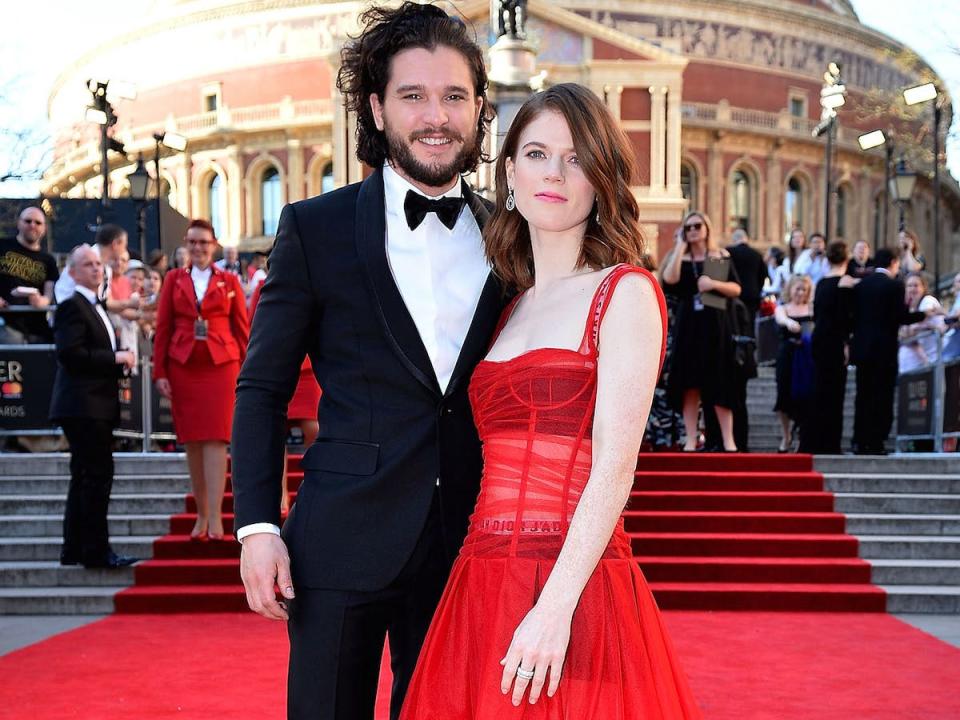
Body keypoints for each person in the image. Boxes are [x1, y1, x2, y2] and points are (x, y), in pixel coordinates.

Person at [231, 4, 503, 718]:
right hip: (340, 541)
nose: (435, 117)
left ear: (479, 109)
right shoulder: (314, 227)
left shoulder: (513, 238)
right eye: (413, 96)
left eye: (453, 96)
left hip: (467, 546)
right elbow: (262, 388)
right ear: (378, 109)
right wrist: (257, 527)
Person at [400, 82, 700, 720]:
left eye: (576, 157)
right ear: (509, 171)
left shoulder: (626, 292)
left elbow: (615, 466)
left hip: (576, 585)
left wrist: (554, 609)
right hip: (480, 581)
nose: (555, 174)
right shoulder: (505, 307)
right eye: (537, 154)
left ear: (600, 177)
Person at [153, 219, 249, 540]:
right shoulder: (172, 280)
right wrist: (160, 371)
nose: (198, 248)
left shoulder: (231, 281)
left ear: (214, 244)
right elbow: (163, 328)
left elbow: (242, 329)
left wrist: (251, 371)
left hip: (222, 366)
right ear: (186, 244)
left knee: (217, 439)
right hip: (183, 365)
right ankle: (201, 514)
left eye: (204, 242)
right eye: (193, 242)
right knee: (192, 440)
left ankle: (218, 516)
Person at [50, 245, 137, 568]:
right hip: (84, 406)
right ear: (72, 272)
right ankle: (96, 552)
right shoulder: (73, 306)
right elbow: (70, 355)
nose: (96, 269)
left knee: (83, 476)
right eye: (87, 264)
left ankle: (74, 548)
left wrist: (118, 363)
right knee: (97, 476)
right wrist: (116, 358)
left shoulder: (94, 305)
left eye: (98, 264)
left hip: (90, 403)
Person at [661, 210, 742, 452]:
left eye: (697, 226)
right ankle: (690, 438)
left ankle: (729, 441)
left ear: (707, 228)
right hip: (689, 327)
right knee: (689, 384)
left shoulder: (719, 255)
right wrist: (678, 246)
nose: (693, 230)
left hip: (716, 324)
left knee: (720, 381)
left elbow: (736, 289)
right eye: (688, 227)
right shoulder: (680, 257)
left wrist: (713, 284)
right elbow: (669, 280)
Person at [249, 280, 321, 513]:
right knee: (275, 431)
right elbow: (253, 323)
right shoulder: (263, 286)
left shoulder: (318, 278)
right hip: (276, 365)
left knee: (316, 429)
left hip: (310, 368)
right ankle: (280, 493)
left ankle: (315, 486)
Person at [850, 248, 930, 455]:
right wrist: (923, 315)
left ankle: (859, 440)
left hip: (863, 349)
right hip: (884, 350)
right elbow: (900, 317)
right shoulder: (894, 286)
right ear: (893, 262)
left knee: (863, 395)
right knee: (882, 396)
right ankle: (876, 441)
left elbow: (854, 317)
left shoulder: (862, 286)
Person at [800, 242, 855, 454]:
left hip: (819, 339)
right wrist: (846, 344)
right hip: (834, 341)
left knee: (818, 391)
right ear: (847, 259)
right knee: (834, 393)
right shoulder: (845, 282)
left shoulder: (821, 283)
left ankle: (813, 441)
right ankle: (830, 443)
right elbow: (845, 318)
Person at [719, 227, 766, 452]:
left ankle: (725, 440)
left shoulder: (723, 255)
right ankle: (741, 441)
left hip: (726, 323)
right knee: (739, 393)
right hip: (748, 311)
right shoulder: (757, 255)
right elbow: (762, 277)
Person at [0, 206, 58, 344]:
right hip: (5, 324)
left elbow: (48, 296)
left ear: (44, 229)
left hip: (37, 329)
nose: (33, 225)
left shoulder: (48, 260)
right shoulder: (2, 246)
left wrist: (41, 301)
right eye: (28, 221)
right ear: (19, 223)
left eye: (38, 223)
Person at [773, 275, 814, 453]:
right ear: (790, 289)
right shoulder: (782, 308)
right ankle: (786, 434)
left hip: (806, 356)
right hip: (787, 355)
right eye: (797, 289)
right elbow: (781, 319)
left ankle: (802, 435)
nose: (800, 293)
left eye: (804, 289)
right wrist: (790, 322)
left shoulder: (812, 309)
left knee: (805, 396)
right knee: (783, 394)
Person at [898, 272, 945, 373]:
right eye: (909, 286)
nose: (912, 289)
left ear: (923, 287)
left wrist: (907, 331)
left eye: (916, 285)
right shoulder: (909, 308)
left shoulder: (927, 301)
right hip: (912, 366)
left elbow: (909, 332)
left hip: (930, 362)